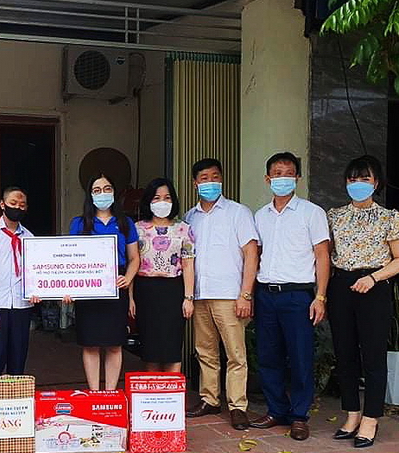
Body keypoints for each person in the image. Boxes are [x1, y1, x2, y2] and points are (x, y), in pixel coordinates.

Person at [327, 155, 399, 448]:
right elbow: (325, 254)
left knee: (373, 355)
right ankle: (352, 413)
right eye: (353, 179)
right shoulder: (335, 216)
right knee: (344, 352)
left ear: (376, 182)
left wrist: (374, 278)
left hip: (374, 287)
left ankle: (371, 417)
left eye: (365, 179)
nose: (358, 184)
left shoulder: (391, 218)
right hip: (341, 285)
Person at [251, 152, 330, 441]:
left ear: (297, 177)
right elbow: (255, 255)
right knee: (268, 355)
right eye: (277, 173)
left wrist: (320, 297)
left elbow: (322, 256)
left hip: (298, 296)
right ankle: (276, 410)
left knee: (300, 357)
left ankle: (299, 416)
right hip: (266, 294)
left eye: (288, 173)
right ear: (267, 179)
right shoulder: (260, 216)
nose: (282, 178)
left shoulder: (312, 213)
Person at [184, 158, 260, 431]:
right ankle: (210, 399)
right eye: (204, 178)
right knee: (205, 351)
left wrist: (246, 294)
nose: (210, 182)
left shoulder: (238, 212)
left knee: (235, 353)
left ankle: (238, 406)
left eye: (215, 177)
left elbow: (251, 253)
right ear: (195, 183)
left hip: (230, 294)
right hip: (200, 294)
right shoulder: (189, 218)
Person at [67, 173, 140, 390]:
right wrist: (67, 287)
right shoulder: (79, 223)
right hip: (87, 288)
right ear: (90, 195)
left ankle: (110, 393)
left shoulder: (125, 223)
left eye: (107, 189)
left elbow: (134, 258)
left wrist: (127, 278)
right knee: (90, 344)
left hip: (115, 286)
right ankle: (94, 393)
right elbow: (70, 258)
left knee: (114, 344)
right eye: (97, 190)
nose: (103, 194)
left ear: (114, 192)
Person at [129, 178, 195, 373]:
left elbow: (188, 264)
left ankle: (172, 391)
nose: (162, 202)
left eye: (167, 198)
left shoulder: (183, 228)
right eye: (156, 198)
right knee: (150, 349)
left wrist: (188, 298)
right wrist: (130, 298)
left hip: (173, 291)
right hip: (145, 291)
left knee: (172, 347)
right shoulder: (137, 229)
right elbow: (132, 263)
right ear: (148, 201)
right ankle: (155, 390)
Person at [0, 186, 41, 377]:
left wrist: (37, 290)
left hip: (21, 305)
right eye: (13, 203)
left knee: (18, 358)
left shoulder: (29, 237)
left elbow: (36, 270)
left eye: (22, 205)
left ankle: (15, 396)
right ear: (2, 204)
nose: (17, 208)